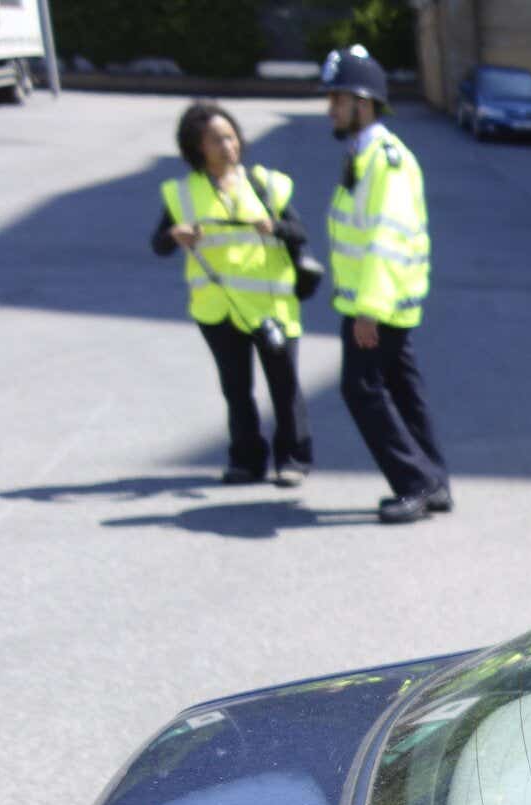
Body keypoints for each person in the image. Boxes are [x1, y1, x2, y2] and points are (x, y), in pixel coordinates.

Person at [321, 46, 451, 524]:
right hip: (380, 300)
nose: (329, 109)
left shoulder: (385, 160)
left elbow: (386, 237)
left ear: (363, 102)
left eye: (336, 99)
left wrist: (367, 308)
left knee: (361, 389)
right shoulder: (365, 155)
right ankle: (433, 481)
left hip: (376, 303)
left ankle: (413, 484)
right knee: (400, 389)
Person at [152, 102, 313, 486]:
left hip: (270, 305)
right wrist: (176, 235)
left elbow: (300, 233)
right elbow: (158, 244)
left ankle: (292, 460)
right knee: (236, 390)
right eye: (216, 140)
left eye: (231, 136)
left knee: (284, 386)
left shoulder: (265, 185)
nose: (228, 145)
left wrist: (273, 227)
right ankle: (246, 460)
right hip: (217, 309)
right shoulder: (184, 193)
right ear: (197, 148)